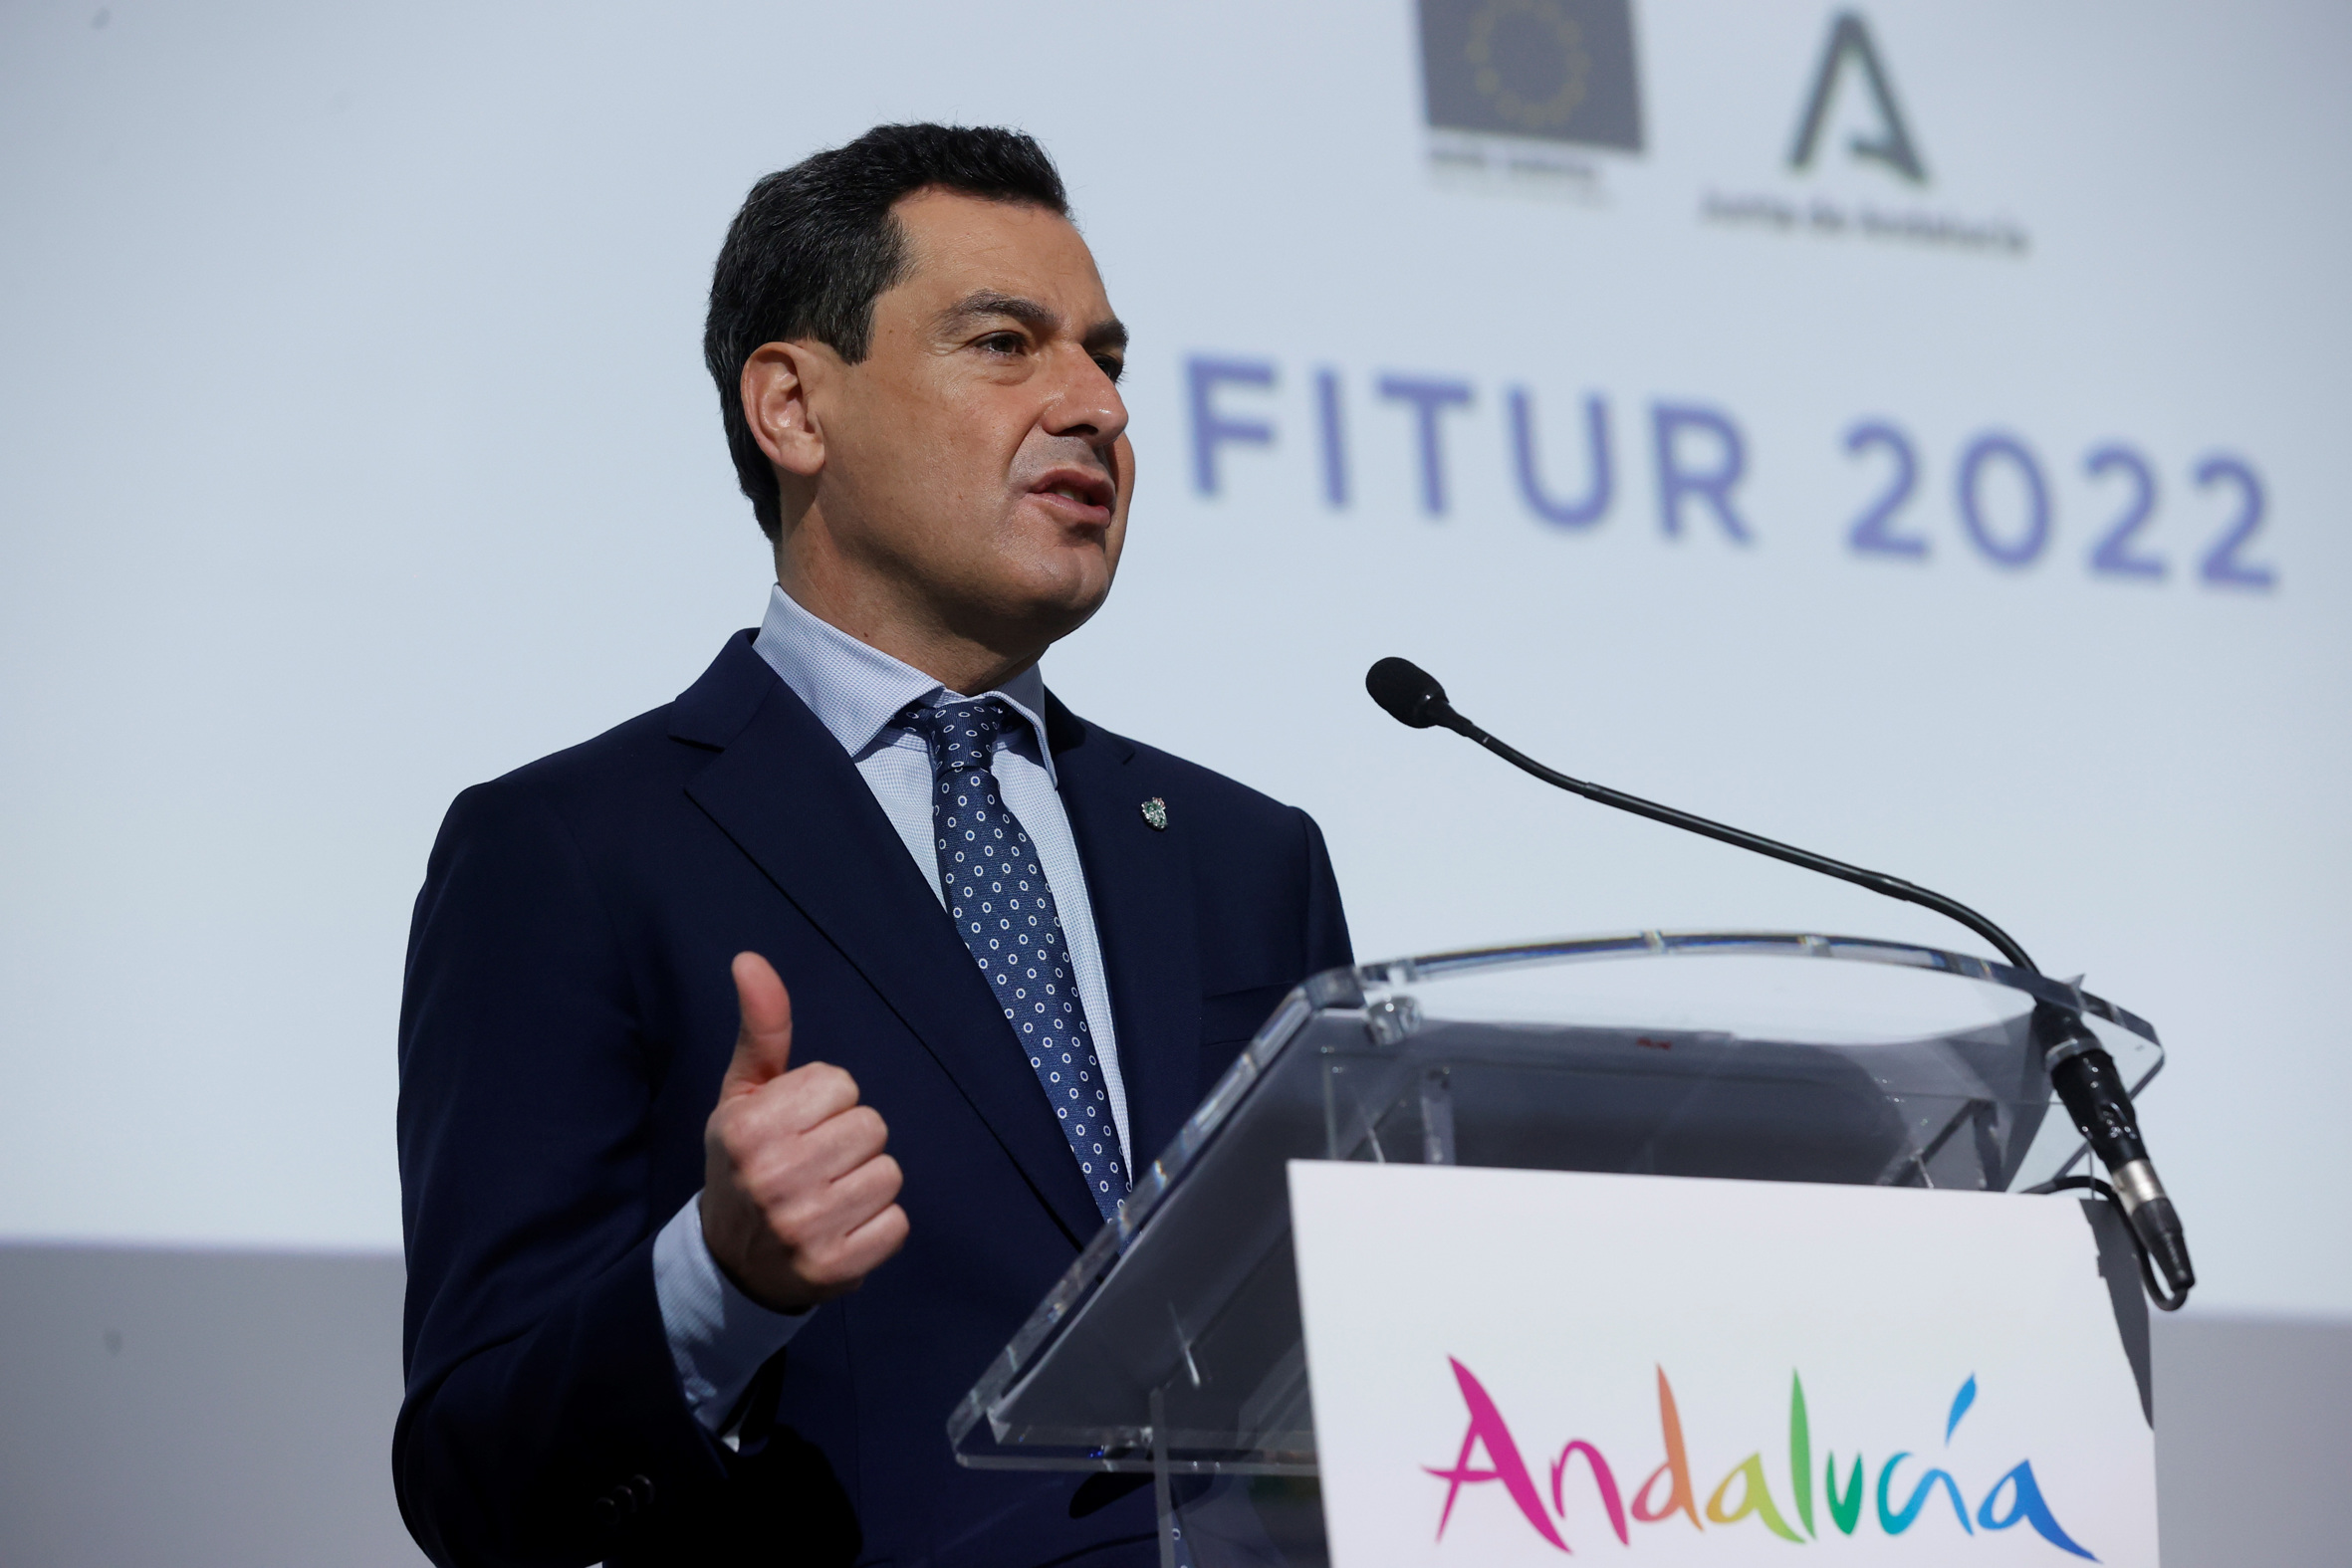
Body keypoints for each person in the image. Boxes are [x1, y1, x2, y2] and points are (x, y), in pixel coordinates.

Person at [393, 122, 1352, 1568]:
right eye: (1004, 344)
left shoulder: (1246, 857)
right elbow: (477, 1478)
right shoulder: (569, 852)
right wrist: (719, 1280)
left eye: (1106, 360)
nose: (1095, 405)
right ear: (791, 407)